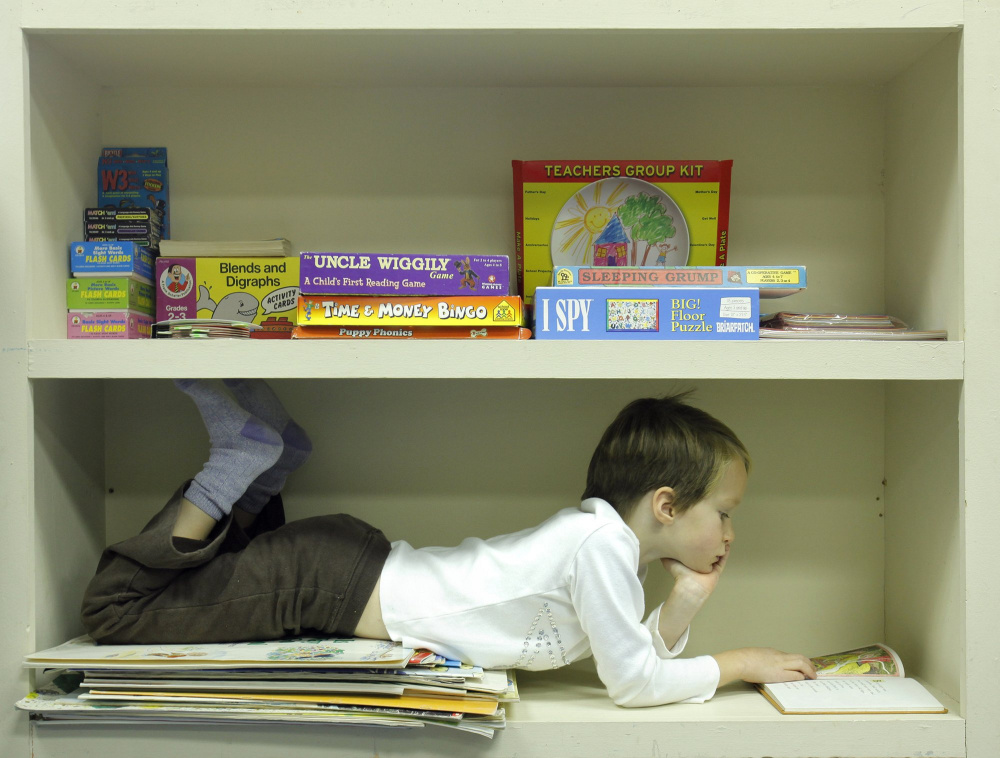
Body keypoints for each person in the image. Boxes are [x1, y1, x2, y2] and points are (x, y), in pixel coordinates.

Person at [81, 380, 816, 707]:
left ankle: (273, 453)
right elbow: (631, 685)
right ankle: (242, 459)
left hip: (341, 576)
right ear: (666, 505)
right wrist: (737, 664)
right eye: (724, 512)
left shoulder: (608, 552)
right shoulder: (598, 550)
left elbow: (633, 655)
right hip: (328, 582)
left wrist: (684, 602)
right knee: (118, 610)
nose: (728, 532)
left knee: (188, 592)